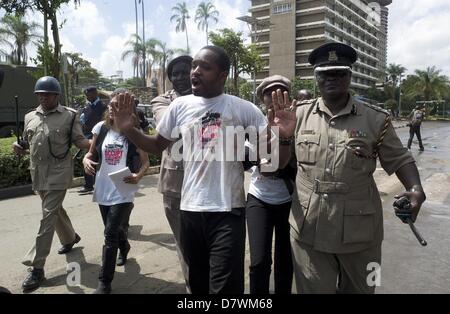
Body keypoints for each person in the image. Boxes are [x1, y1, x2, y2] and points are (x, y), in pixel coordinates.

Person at [270, 42, 426, 294]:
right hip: (309, 229)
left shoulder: (376, 118)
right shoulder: (296, 115)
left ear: (349, 76)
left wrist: (416, 188)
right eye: (324, 73)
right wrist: (283, 136)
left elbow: (400, 158)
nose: (331, 78)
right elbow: (275, 166)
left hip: (361, 233)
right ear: (316, 77)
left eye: (339, 72)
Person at [110, 46, 268, 294]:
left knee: (225, 288)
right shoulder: (179, 106)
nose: (195, 72)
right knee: (197, 283)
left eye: (205, 67)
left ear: (223, 74)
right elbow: (156, 145)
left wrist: (277, 141)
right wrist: (129, 129)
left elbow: (268, 153)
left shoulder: (243, 108)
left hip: (228, 211)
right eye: (194, 65)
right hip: (190, 211)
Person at [12, 76, 91, 292]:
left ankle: (37, 268)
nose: (43, 98)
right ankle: (70, 237)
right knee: (55, 211)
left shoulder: (70, 116)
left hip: (58, 174)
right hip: (38, 174)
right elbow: (29, 144)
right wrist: (19, 147)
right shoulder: (30, 116)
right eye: (40, 94)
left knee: (47, 218)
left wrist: (98, 143)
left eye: (47, 94)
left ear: (57, 95)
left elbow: (79, 141)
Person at [82, 88, 149, 294]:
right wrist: (86, 159)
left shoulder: (133, 132)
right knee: (114, 231)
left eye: (117, 106)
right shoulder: (100, 128)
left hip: (124, 189)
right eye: (110, 105)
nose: (112, 108)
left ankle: (105, 283)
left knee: (109, 233)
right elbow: (91, 153)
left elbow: (145, 162)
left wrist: (138, 176)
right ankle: (124, 245)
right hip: (103, 187)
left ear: (127, 110)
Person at [245, 75, 294, 294]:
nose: (274, 96)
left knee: (286, 259)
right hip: (259, 198)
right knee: (259, 261)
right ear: (262, 98)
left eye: (281, 91)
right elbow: (256, 162)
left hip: (290, 201)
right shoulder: (253, 124)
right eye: (269, 93)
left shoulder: (298, 123)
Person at [151, 54, 192, 292]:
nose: (180, 77)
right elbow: (169, 125)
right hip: (175, 184)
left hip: (208, 183)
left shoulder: (209, 97)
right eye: (174, 74)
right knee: (185, 245)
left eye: (185, 72)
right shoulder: (161, 101)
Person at [79, 86, 106, 194]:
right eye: (86, 95)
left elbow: (105, 122)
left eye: (88, 94)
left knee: (101, 160)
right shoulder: (87, 106)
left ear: (95, 94)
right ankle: (89, 185)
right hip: (88, 137)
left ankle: (102, 183)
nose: (86, 97)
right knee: (88, 159)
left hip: (100, 137)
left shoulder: (103, 106)